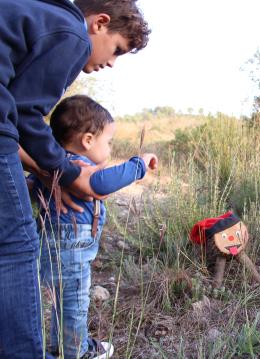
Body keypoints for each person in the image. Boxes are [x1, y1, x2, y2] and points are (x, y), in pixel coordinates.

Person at [0, 0, 150, 358]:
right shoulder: (71, 34)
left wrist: (46, 168)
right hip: (72, 256)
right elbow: (24, 114)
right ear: (99, 23)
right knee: (15, 247)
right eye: (116, 49)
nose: (111, 62)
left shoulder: (35, 14)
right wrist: (70, 173)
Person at [29, 95, 158, 358]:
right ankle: (75, 352)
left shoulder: (54, 164)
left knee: (62, 302)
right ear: (87, 140)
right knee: (74, 302)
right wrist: (139, 164)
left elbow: (32, 187)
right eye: (108, 142)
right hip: (72, 243)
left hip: (52, 242)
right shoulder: (78, 169)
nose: (110, 149)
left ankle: (62, 346)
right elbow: (101, 183)